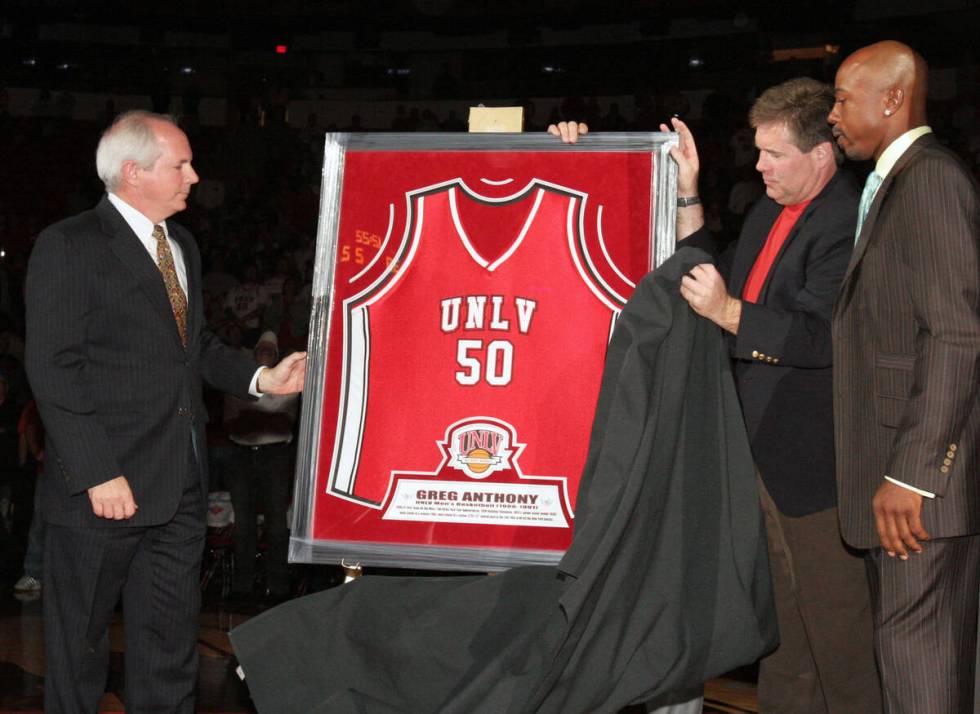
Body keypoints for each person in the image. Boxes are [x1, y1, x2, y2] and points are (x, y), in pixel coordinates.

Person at [551, 79, 883, 713]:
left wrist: (729, 312)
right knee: (781, 641)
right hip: (758, 463)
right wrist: (687, 190)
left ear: (820, 155)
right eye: (757, 151)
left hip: (816, 475)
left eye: (773, 154)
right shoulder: (769, 211)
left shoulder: (848, 220)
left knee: (842, 648)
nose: (758, 166)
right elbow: (708, 272)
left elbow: (823, 336)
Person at [24, 110, 306, 713]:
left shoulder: (181, 245)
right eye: (180, 164)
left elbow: (193, 346)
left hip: (179, 482)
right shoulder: (69, 244)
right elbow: (53, 367)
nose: (195, 176)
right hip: (102, 486)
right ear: (132, 172)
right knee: (78, 652)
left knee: (169, 647)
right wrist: (98, 471)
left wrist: (260, 376)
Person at [828, 41, 979, 714]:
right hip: (901, 484)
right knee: (917, 676)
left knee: (920, 681)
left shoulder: (930, 179)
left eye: (840, 97)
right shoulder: (895, 180)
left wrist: (913, 474)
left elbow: (958, 333)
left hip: (918, 496)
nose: (831, 113)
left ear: (891, 99)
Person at [224, 331, 299, 605]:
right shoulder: (239, 384)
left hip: (275, 456)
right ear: (255, 354)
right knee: (243, 523)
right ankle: (241, 587)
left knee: (277, 524)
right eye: (262, 350)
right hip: (241, 455)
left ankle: (278, 588)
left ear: (276, 356)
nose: (266, 353)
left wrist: (253, 416)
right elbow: (231, 420)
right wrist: (267, 417)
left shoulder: (290, 385)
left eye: (271, 350)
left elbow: (285, 421)